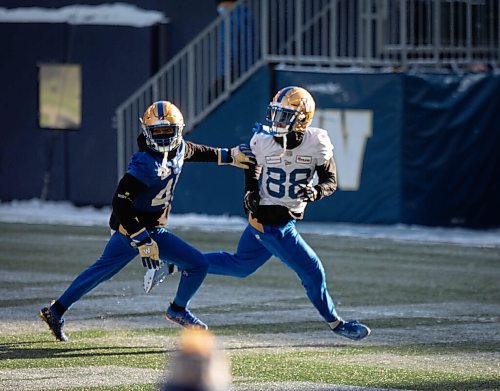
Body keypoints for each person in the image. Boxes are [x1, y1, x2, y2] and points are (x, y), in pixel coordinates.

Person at [145, 87, 371, 341]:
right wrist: (250, 190)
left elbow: (330, 180)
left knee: (240, 266)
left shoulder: (316, 142)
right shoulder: (262, 140)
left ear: (303, 118)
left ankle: (176, 266)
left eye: (285, 116)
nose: (277, 121)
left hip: (277, 220)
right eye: (276, 114)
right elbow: (250, 166)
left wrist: (316, 191)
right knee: (313, 270)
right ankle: (335, 323)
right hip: (271, 221)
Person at [39, 100, 255, 342]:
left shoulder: (179, 148)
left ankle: (56, 310)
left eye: (167, 132)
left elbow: (197, 151)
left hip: (141, 228)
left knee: (100, 272)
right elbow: (121, 202)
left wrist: (229, 156)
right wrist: (142, 238)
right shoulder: (145, 163)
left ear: (179, 130)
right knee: (197, 265)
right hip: (138, 227)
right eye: (157, 132)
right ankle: (178, 309)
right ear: (147, 132)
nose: (163, 138)